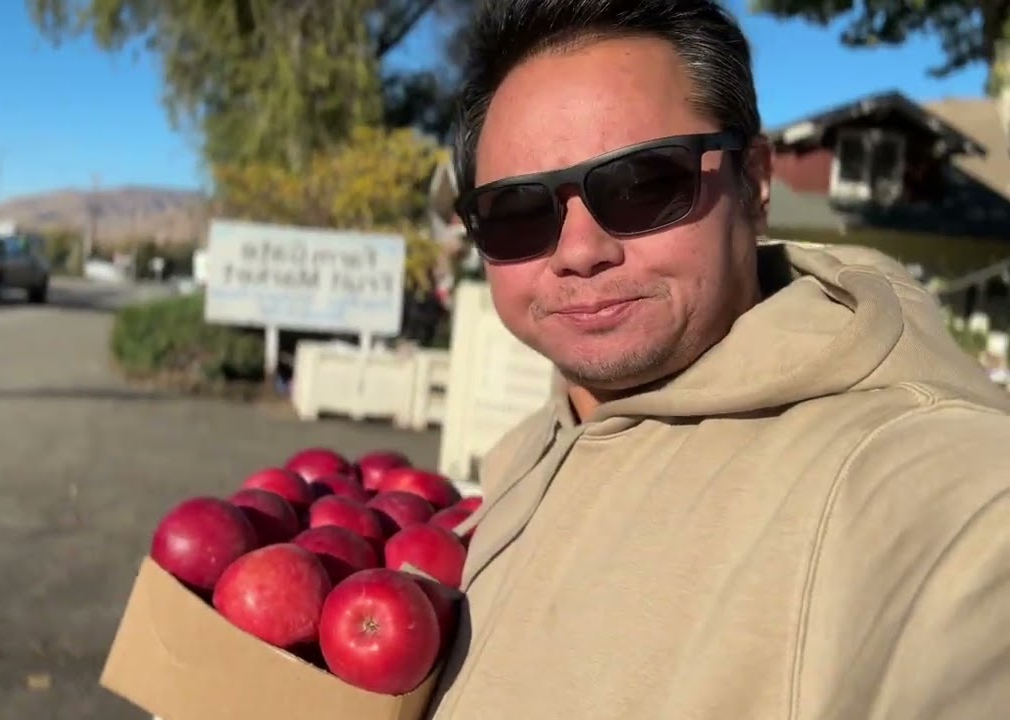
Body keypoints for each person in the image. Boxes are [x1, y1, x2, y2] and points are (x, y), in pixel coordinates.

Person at [429, 1, 1010, 718]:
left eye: (645, 184)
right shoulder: (526, 453)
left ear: (755, 183)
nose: (580, 253)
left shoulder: (926, 486)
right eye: (519, 211)